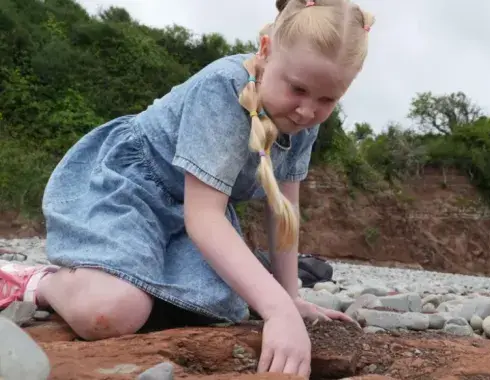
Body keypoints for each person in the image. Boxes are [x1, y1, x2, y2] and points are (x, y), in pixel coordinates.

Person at [0, 0, 374, 376]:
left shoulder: (304, 122)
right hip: (129, 188)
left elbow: (283, 212)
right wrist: (276, 309)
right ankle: (36, 281)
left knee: (219, 306)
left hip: (186, 212)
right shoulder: (224, 89)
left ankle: (127, 274)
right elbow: (205, 216)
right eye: (297, 89)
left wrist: (289, 298)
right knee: (111, 312)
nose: (307, 111)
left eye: (327, 99)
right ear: (266, 50)